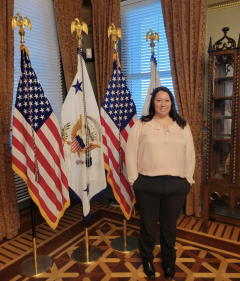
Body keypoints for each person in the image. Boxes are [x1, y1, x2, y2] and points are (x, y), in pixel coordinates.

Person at [126, 86, 195, 280]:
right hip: (147, 185)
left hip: (176, 185)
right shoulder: (141, 125)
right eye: (159, 100)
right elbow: (130, 153)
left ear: (171, 103)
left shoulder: (183, 126)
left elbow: (190, 155)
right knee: (148, 226)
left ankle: (168, 262)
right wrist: (134, 179)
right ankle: (147, 258)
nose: (162, 104)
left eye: (166, 100)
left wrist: (188, 179)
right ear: (153, 103)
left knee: (169, 227)